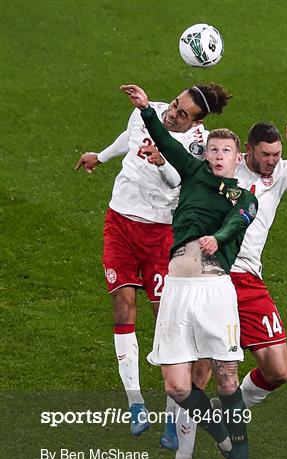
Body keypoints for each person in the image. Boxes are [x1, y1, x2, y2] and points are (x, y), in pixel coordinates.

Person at [164, 119, 287, 459]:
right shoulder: (225, 168)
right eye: (265, 155)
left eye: (276, 154)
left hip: (251, 281)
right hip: (214, 274)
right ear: (248, 152)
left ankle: (227, 410)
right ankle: (182, 450)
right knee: (199, 369)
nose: (272, 161)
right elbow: (184, 172)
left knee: (279, 371)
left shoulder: (284, 172)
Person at [121, 83, 259, 459]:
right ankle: (222, 438)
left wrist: (215, 240)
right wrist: (145, 110)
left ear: (239, 160)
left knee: (226, 383)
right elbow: (164, 140)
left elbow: (236, 225)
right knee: (178, 386)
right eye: (213, 150)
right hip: (178, 291)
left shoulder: (244, 196)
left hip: (216, 293)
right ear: (206, 153)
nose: (218, 156)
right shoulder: (194, 172)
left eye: (226, 152)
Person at [75, 83, 231, 436]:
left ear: (196, 122)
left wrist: (162, 162)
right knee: (122, 308)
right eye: (175, 105)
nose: (172, 113)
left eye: (182, 114)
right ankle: (135, 403)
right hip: (120, 223)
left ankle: (174, 418)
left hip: (161, 234)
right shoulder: (146, 110)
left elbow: (178, 182)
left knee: (168, 323)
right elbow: (129, 135)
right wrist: (100, 156)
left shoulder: (195, 145)